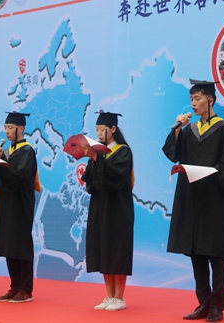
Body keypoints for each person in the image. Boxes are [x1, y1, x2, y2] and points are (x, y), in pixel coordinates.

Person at [162, 79, 224, 323]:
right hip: (193, 200)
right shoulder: (189, 130)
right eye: (191, 99)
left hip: (214, 202)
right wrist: (177, 129)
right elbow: (173, 153)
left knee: (215, 254)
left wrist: (206, 173)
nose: (193, 104)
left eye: (198, 98)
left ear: (210, 100)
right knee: (196, 253)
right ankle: (203, 304)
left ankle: (217, 306)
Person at [81, 111, 135, 312]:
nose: (99, 133)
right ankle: (109, 296)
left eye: (102, 129)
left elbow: (116, 177)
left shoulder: (123, 151)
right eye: (96, 129)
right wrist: (92, 160)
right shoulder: (99, 152)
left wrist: (97, 157)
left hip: (118, 208)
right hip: (100, 207)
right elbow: (91, 180)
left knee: (117, 249)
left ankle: (119, 297)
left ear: (113, 129)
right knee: (103, 247)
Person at [0, 112, 39, 303]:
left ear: (21, 128)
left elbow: (20, 176)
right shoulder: (8, 151)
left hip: (21, 204)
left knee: (20, 244)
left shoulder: (27, 151)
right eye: (5, 127)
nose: (6, 131)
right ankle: (14, 286)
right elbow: (0, 183)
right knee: (9, 244)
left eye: (10, 128)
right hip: (7, 203)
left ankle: (25, 289)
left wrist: (1, 165)